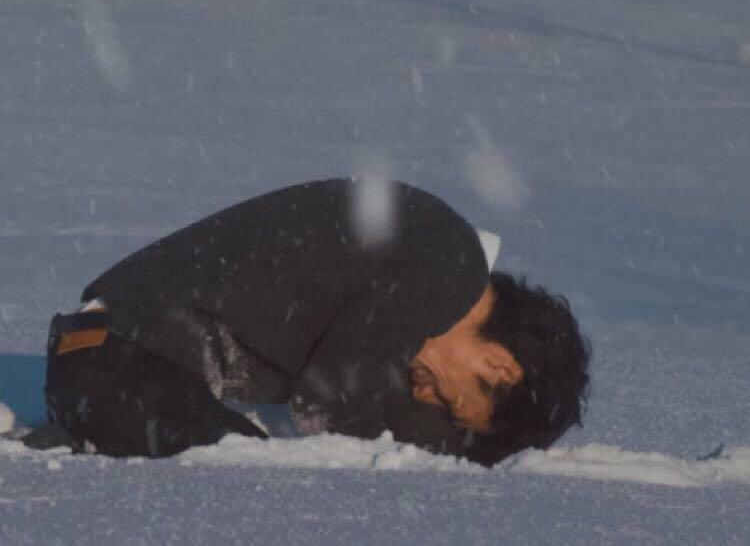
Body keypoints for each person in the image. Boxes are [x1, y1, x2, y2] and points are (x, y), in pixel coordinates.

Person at [24, 178, 590, 466]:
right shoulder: (447, 265)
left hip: (103, 366)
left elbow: (360, 387)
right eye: (450, 397)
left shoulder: (434, 258)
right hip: (115, 367)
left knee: (237, 457)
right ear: (500, 365)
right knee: (240, 467)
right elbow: (333, 400)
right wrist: (444, 457)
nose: (426, 394)